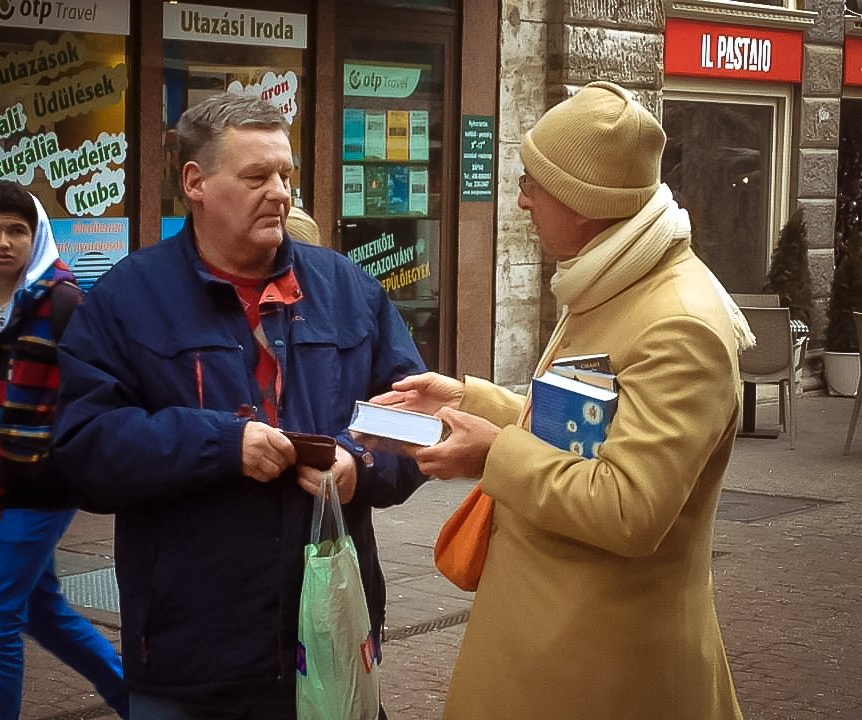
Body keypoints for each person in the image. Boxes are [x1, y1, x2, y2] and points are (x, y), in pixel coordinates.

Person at [371, 81, 752, 719]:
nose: (521, 201)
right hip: (550, 640)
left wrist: (491, 454)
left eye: (532, 184)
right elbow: (579, 419)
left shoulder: (679, 321)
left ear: (584, 200)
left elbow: (631, 508)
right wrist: (470, 400)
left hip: (605, 668)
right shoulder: (613, 276)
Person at [51, 92, 427, 718]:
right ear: (195, 182)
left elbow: (414, 420)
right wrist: (221, 447)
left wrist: (356, 467)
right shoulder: (127, 298)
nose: (280, 192)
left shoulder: (347, 289)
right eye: (257, 176)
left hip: (332, 640)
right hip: (192, 656)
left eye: (285, 174)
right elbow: (84, 447)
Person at [0, 180, 128, 720]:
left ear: (36, 237)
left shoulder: (63, 305)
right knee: (43, 612)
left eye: (18, 230)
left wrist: (53, 454)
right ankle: (140, 701)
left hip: (44, 488)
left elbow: (92, 389)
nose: (4, 242)